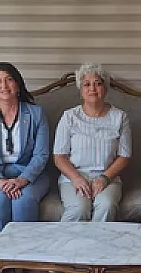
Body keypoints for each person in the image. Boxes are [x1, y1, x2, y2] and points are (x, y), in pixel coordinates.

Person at [0, 62, 50, 232]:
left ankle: (23, 247)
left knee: (23, 201)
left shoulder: (36, 114)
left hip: (29, 174)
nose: (4, 86)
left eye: (9, 80)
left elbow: (41, 155)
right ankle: (2, 246)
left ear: (18, 85)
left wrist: (22, 179)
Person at [53, 63, 132, 222]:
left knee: (106, 205)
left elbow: (124, 156)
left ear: (106, 89)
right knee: (79, 208)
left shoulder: (120, 117)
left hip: (108, 178)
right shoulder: (69, 117)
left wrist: (104, 178)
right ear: (81, 91)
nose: (92, 89)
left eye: (97, 84)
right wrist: (76, 178)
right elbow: (59, 157)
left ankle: (99, 240)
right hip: (74, 177)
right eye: (87, 84)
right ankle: (65, 239)